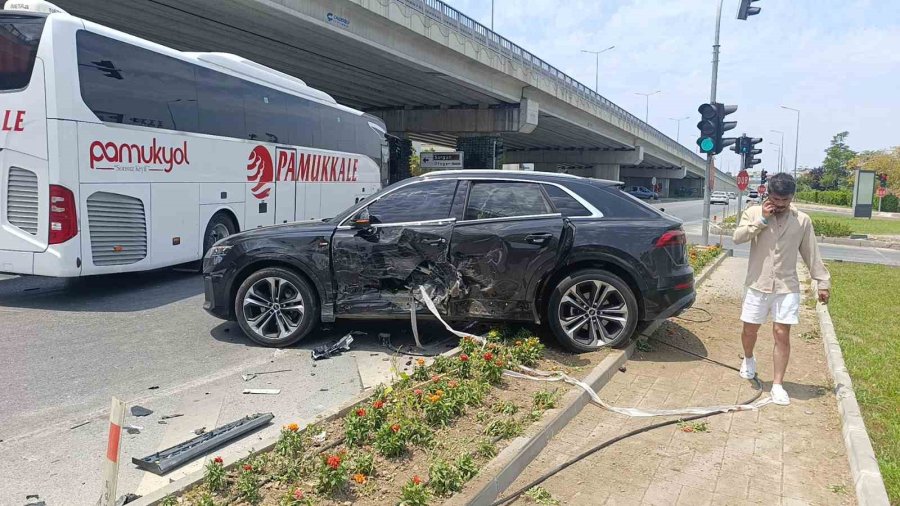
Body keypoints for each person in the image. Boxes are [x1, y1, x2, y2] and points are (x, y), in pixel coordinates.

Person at [732, 173, 830, 405]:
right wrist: (762, 221)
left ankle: (777, 384)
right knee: (750, 330)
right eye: (776, 199)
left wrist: (822, 282)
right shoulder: (755, 212)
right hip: (758, 283)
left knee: (781, 334)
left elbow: (811, 253)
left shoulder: (802, 220)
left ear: (792, 197)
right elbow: (737, 238)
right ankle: (748, 358)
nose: (780, 205)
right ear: (768, 194)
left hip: (787, 286)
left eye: (785, 201)